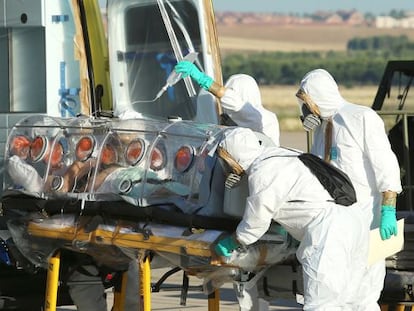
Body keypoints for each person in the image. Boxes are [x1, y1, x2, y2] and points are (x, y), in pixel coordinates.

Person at [213, 127, 370, 310]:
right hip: (355, 222)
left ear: (236, 156)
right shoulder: (285, 154)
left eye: (226, 161)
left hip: (330, 231)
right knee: (355, 300)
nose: (227, 167)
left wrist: (233, 241)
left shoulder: (263, 171)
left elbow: (256, 222)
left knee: (322, 303)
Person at [296, 68, 403, 310]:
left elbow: (385, 164)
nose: (306, 110)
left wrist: (388, 209)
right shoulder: (322, 129)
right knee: (334, 287)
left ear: (320, 96)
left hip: (366, 216)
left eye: (308, 102)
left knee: (364, 290)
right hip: (335, 221)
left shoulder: (361, 118)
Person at [174, 61, 280, 146]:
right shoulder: (235, 120)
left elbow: (235, 104)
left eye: (232, 92)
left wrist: (204, 80)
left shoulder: (263, 118)